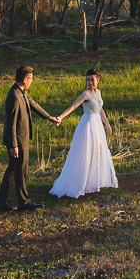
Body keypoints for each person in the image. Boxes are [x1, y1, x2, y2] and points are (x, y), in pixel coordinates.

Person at [0, 64, 60, 212]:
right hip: (17, 139)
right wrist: (14, 145)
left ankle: (1, 201)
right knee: (20, 170)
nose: (32, 80)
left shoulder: (22, 92)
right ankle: (23, 202)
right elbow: (11, 123)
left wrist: (49, 117)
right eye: (31, 78)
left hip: (20, 138)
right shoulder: (14, 96)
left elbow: (33, 105)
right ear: (25, 80)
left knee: (14, 169)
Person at [48, 69, 119, 199]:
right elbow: (73, 106)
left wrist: (107, 124)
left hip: (97, 124)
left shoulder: (98, 93)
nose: (90, 83)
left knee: (98, 151)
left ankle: (93, 180)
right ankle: (81, 181)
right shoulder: (85, 95)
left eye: (92, 80)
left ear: (98, 80)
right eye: (88, 80)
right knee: (86, 152)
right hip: (88, 124)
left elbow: (100, 108)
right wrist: (61, 117)